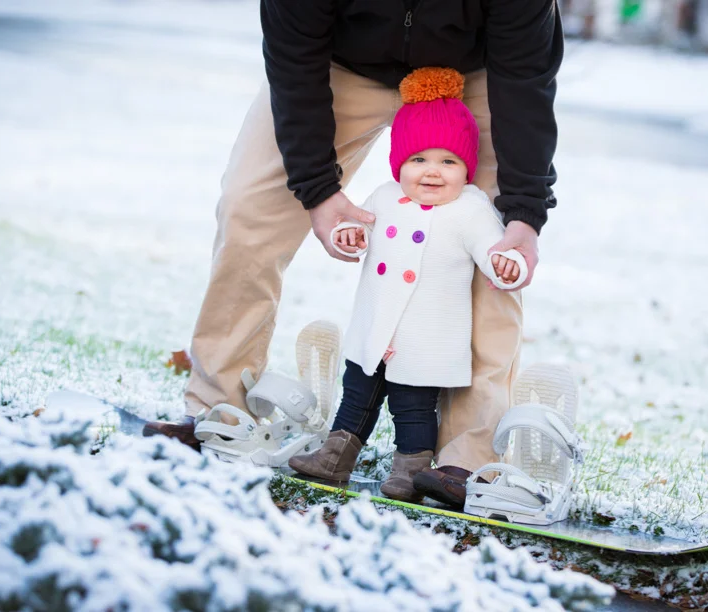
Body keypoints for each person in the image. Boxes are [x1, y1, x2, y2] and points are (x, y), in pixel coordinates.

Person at [144, 0, 563, 509]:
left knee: (493, 244)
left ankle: (467, 457)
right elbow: (293, 58)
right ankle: (220, 408)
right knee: (249, 209)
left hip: (471, 74)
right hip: (338, 66)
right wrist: (318, 191)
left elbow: (525, 76)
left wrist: (524, 214)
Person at [287, 68, 527, 502]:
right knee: (356, 395)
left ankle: (410, 470)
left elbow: (495, 255)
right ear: (400, 163)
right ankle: (334, 458)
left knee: (413, 408)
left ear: (466, 168)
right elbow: (360, 229)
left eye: (448, 161)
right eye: (418, 160)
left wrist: (508, 264)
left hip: (424, 336)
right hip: (376, 326)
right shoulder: (383, 196)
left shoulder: (470, 209)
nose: (432, 172)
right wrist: (349, 234)